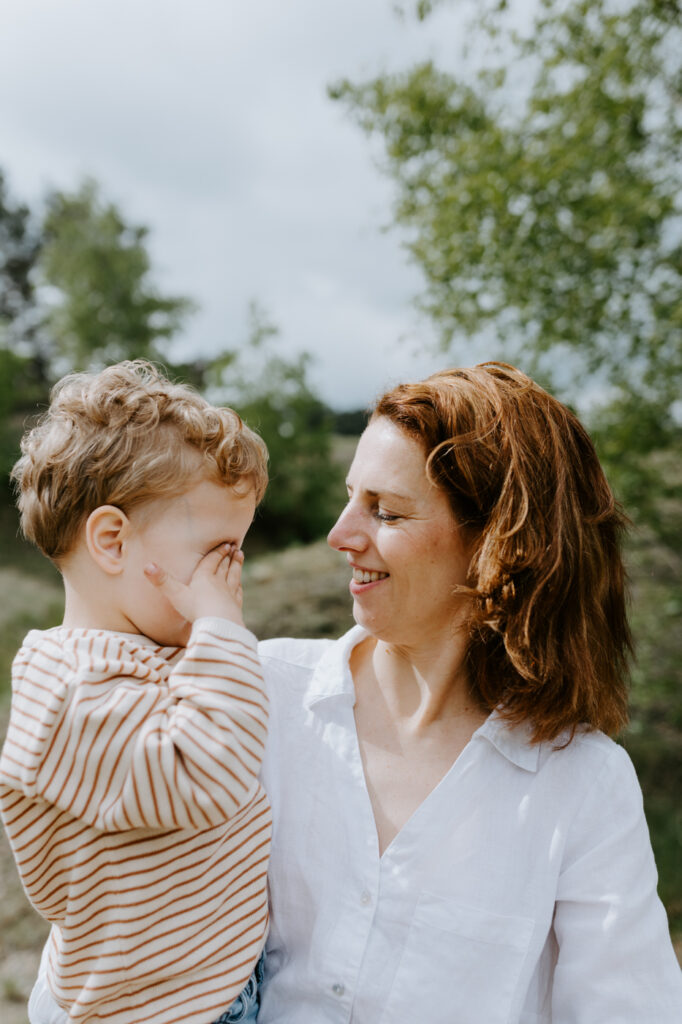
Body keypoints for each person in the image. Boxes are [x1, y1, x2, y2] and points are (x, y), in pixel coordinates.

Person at [256, 363, 682, 1022]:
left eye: (386, 511)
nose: (340, 536)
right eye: (350, 497)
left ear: (495, 545)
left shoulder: (584, 786)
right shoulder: (261, 696)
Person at [0, 361, 271, 1024]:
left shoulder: (153, 653)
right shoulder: (69, 694)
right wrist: (222, 628)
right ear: (113, 541)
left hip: (212, 982)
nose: (230, 577)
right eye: (217, 551)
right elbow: (206, 773)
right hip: (156, 1012)